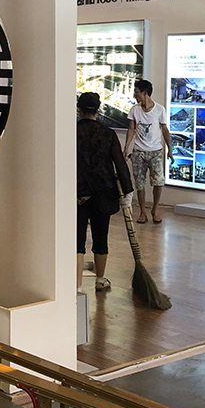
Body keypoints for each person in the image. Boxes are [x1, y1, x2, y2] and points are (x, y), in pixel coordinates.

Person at [77, 92, 133, 292]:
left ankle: (77, 286)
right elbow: (120, 163)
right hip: (103, 193)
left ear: (79, 109)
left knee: (77, 240)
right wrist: (127, 190)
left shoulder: (71, 132)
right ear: (98, 110)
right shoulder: (108, 133)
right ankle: (100, 279)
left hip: (78, 193)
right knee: (101, 236)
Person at [123, 79, 174, 224]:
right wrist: (126, 147)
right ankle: (142, 212)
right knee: (139, 184)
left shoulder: (159, 110)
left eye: (137, 92)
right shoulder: (134, 110)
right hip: (138, 152)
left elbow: (164, 130)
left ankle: (155, 209)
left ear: (144, 93)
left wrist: (170, 149)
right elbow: (131, 129)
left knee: (158, 182)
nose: (135, 95)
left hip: (155, 151)